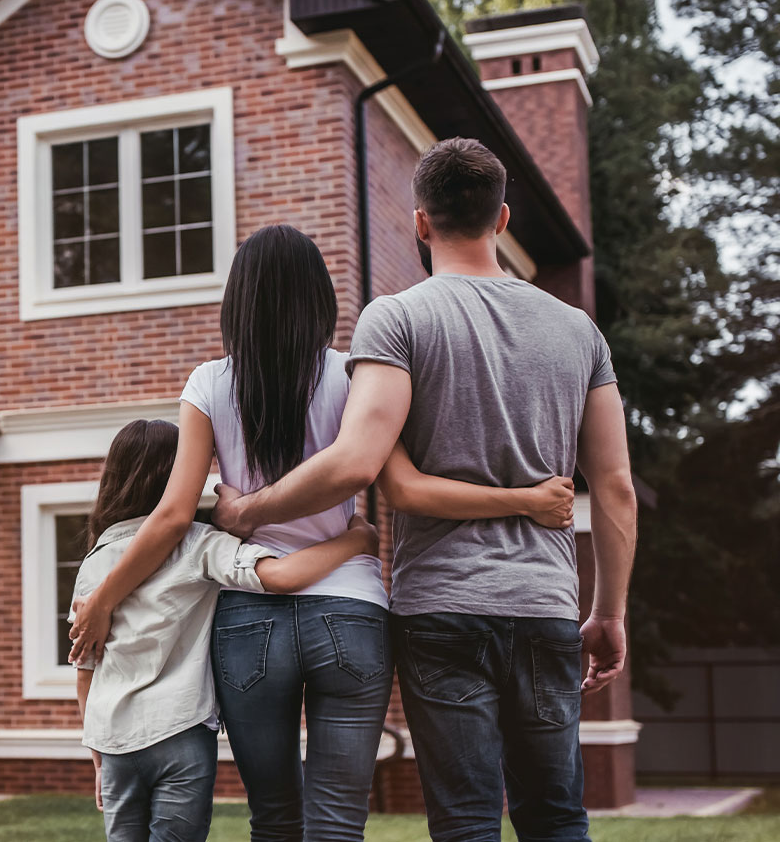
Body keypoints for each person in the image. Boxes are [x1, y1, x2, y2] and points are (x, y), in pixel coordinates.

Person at [70, 224, 577, 841]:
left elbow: (173, 516)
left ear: (238, 300)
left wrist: (102, 599)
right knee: (337, 824)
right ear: (320, 299)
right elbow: (391, 479)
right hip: (350, 610)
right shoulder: (357, 375)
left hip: (249, 618)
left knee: (275, 821)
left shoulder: (209, 383)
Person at [209, 138, 638, 842]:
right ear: (502, 218)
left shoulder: (397, 317)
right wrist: (609, 611)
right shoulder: (579, 331)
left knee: (467, 820)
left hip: (440, 609)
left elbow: (358, 464)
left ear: (419, 222)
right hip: (544, 604)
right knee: (557, 814)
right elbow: (615, 486)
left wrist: (247, 509)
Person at [73, 418, 379, 842]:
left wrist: (97, 755)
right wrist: (357, 540)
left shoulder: (94, 562)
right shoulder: (199, 544)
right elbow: (281, 576)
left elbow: (85, 669)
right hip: (180, 733)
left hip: (113, 740)